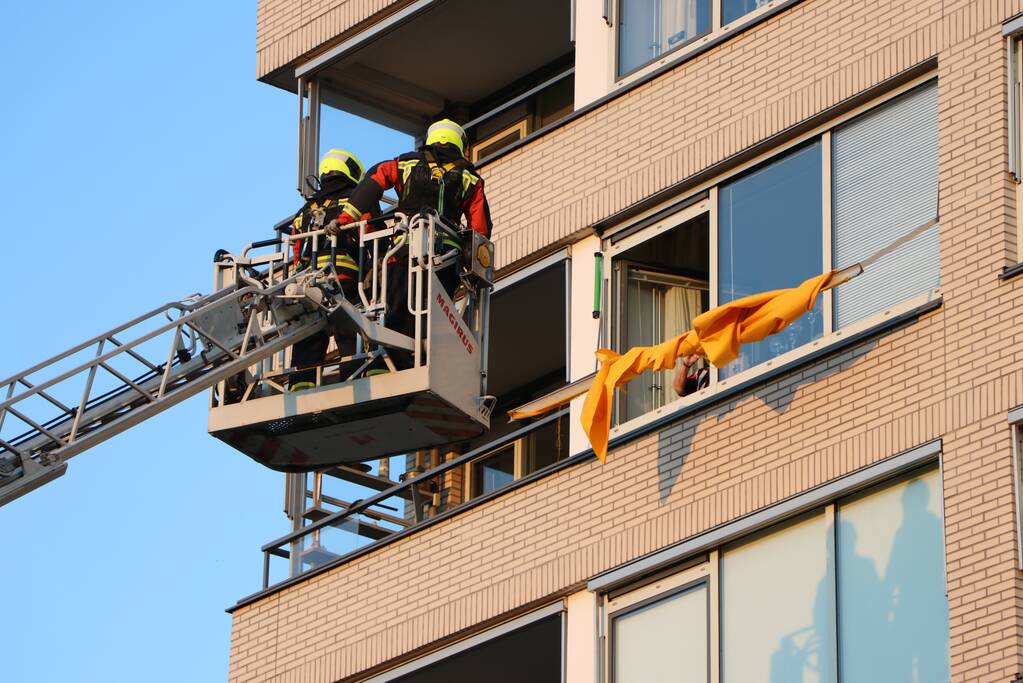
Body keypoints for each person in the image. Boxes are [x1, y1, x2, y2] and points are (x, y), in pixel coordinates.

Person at [328, 119, 492, 368]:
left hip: (403, 251)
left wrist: (344, 218)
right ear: (460, 143)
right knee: (435, 315)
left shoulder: (405, 163)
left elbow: (374, 180)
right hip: (445, 259)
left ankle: (394, 366)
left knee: (396, 316)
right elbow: (480, 230)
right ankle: (426, 362)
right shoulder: (470, 178)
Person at [288, 148, 366, 391]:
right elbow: (372, 234)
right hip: (344, 276)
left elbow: (297, 250)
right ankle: (353, 376)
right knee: (349, 325)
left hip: (310, 282)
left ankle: (300, 383)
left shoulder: (304, 211)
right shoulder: (356, 200)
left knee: (310, 331)